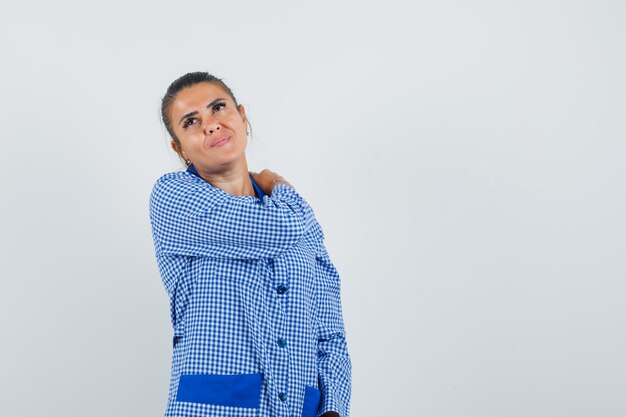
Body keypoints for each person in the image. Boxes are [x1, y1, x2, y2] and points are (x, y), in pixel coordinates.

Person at [148, 72, 352, 417]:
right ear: (179, 147)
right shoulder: (173, 198)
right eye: (191, 121)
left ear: (242, 116)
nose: (210, 125)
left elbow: (330, 330)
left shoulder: (295, 218)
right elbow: (276, 229)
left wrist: (333, 408)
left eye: (218, 108)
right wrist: (281, 186)